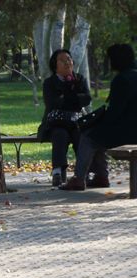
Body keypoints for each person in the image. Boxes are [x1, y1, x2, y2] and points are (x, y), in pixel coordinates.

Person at [61, 43, 137, 190]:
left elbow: (115, 112)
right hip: (131, 128)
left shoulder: (122, 80)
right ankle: (101, 176)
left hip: (129, 132)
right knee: (98, 134)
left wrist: (97, 123)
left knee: (89, 136)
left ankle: (79, 178)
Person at [37, 49, 91, 186]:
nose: (67, 62)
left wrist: (66, 98)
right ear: (55, 65)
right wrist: (74, 99)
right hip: (57, 123)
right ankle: (57, 173)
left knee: (81, 137)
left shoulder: (80, 79)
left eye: (69, 59)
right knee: (60, 135)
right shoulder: (49, 83)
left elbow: (87, 99)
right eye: (62, 60)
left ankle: (82, 174)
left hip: (76, 122)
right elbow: (53, 102)